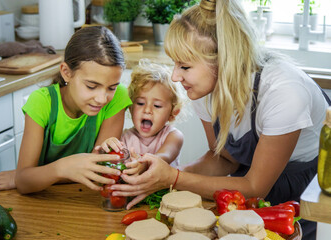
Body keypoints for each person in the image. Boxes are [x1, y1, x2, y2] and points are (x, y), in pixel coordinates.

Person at [110, 1, 330, 239]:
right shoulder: (206, 89)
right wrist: (159, 175)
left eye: (184, 66)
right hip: (246, 187)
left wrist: (173, 177)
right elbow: (224, 159)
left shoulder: (284, 92)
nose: (175, 76)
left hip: (306, 190)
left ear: (224, 60)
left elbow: (256, 187)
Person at [0, 26, 132, 194]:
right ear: (66, 73)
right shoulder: (42, 103)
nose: (102, 98)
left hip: (84, 198)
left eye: (111, 88)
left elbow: (100, 169)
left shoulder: (117, 98)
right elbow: (24, 183)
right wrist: (60, 168)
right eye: (91, 86)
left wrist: (38, 175)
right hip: (43, 201)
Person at [97, 59, 185, 176]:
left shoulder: (173, 137)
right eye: (140, 103)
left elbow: (165, 156)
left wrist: (145, 164)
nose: (147, 110)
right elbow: (109, 163)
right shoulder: (124, 139)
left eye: (157, 106)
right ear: (131, 108)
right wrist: (108, 147)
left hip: (164, 192)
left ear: (173, 113)